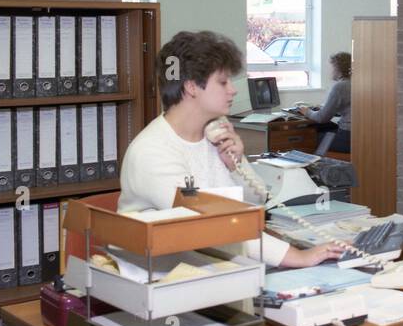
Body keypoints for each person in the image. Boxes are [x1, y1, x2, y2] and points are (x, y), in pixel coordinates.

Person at [119, 30, 345, 267]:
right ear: (191, 87)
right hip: (167, 277)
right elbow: (211, 222)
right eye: (223, 81)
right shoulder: (153, 152)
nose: (233, 90)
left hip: (216, 262)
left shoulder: (214, 135)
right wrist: (297, 256)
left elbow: (255, 203)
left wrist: (236, 165)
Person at [295, 51, 351, 154]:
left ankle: (317, 168)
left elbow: (321, 118)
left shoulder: (340, 87)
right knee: (326, 129)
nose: (331, 71)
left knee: (308, 136)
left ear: (338, 68)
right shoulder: (358, 82)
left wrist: (307, 111)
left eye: (332, 67)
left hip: (347, 137)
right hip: (359, 135)